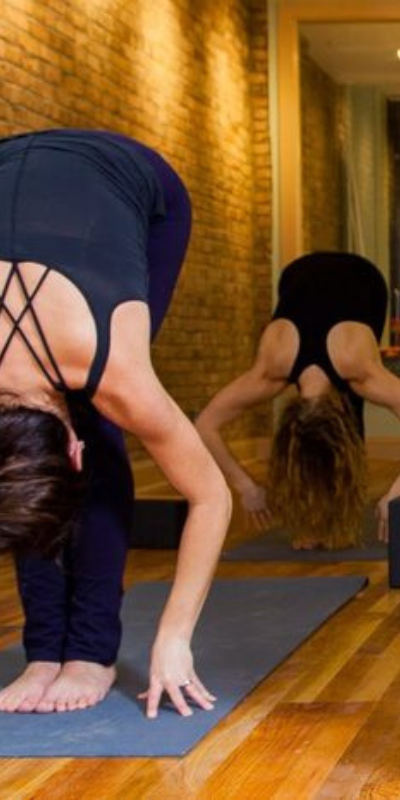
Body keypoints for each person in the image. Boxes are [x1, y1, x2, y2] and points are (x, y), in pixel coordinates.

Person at [0, 129, 230, 717]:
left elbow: (211, 497)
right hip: (12, 164)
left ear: (70, 452)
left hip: (136, 180)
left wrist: (174, 637)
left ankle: (91, 651)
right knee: (18, 484)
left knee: (104, 421)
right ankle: (45, 649)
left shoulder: (116, 370)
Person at [197, 252, 400, 549]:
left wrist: (398, 491)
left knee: (349, 413)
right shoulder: (273, 365)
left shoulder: (358, 369)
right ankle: (316, 524)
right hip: (295, 276)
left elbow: (204, 424)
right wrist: (244, 486)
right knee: (316, 446)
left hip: (364, 279)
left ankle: (332, 521)